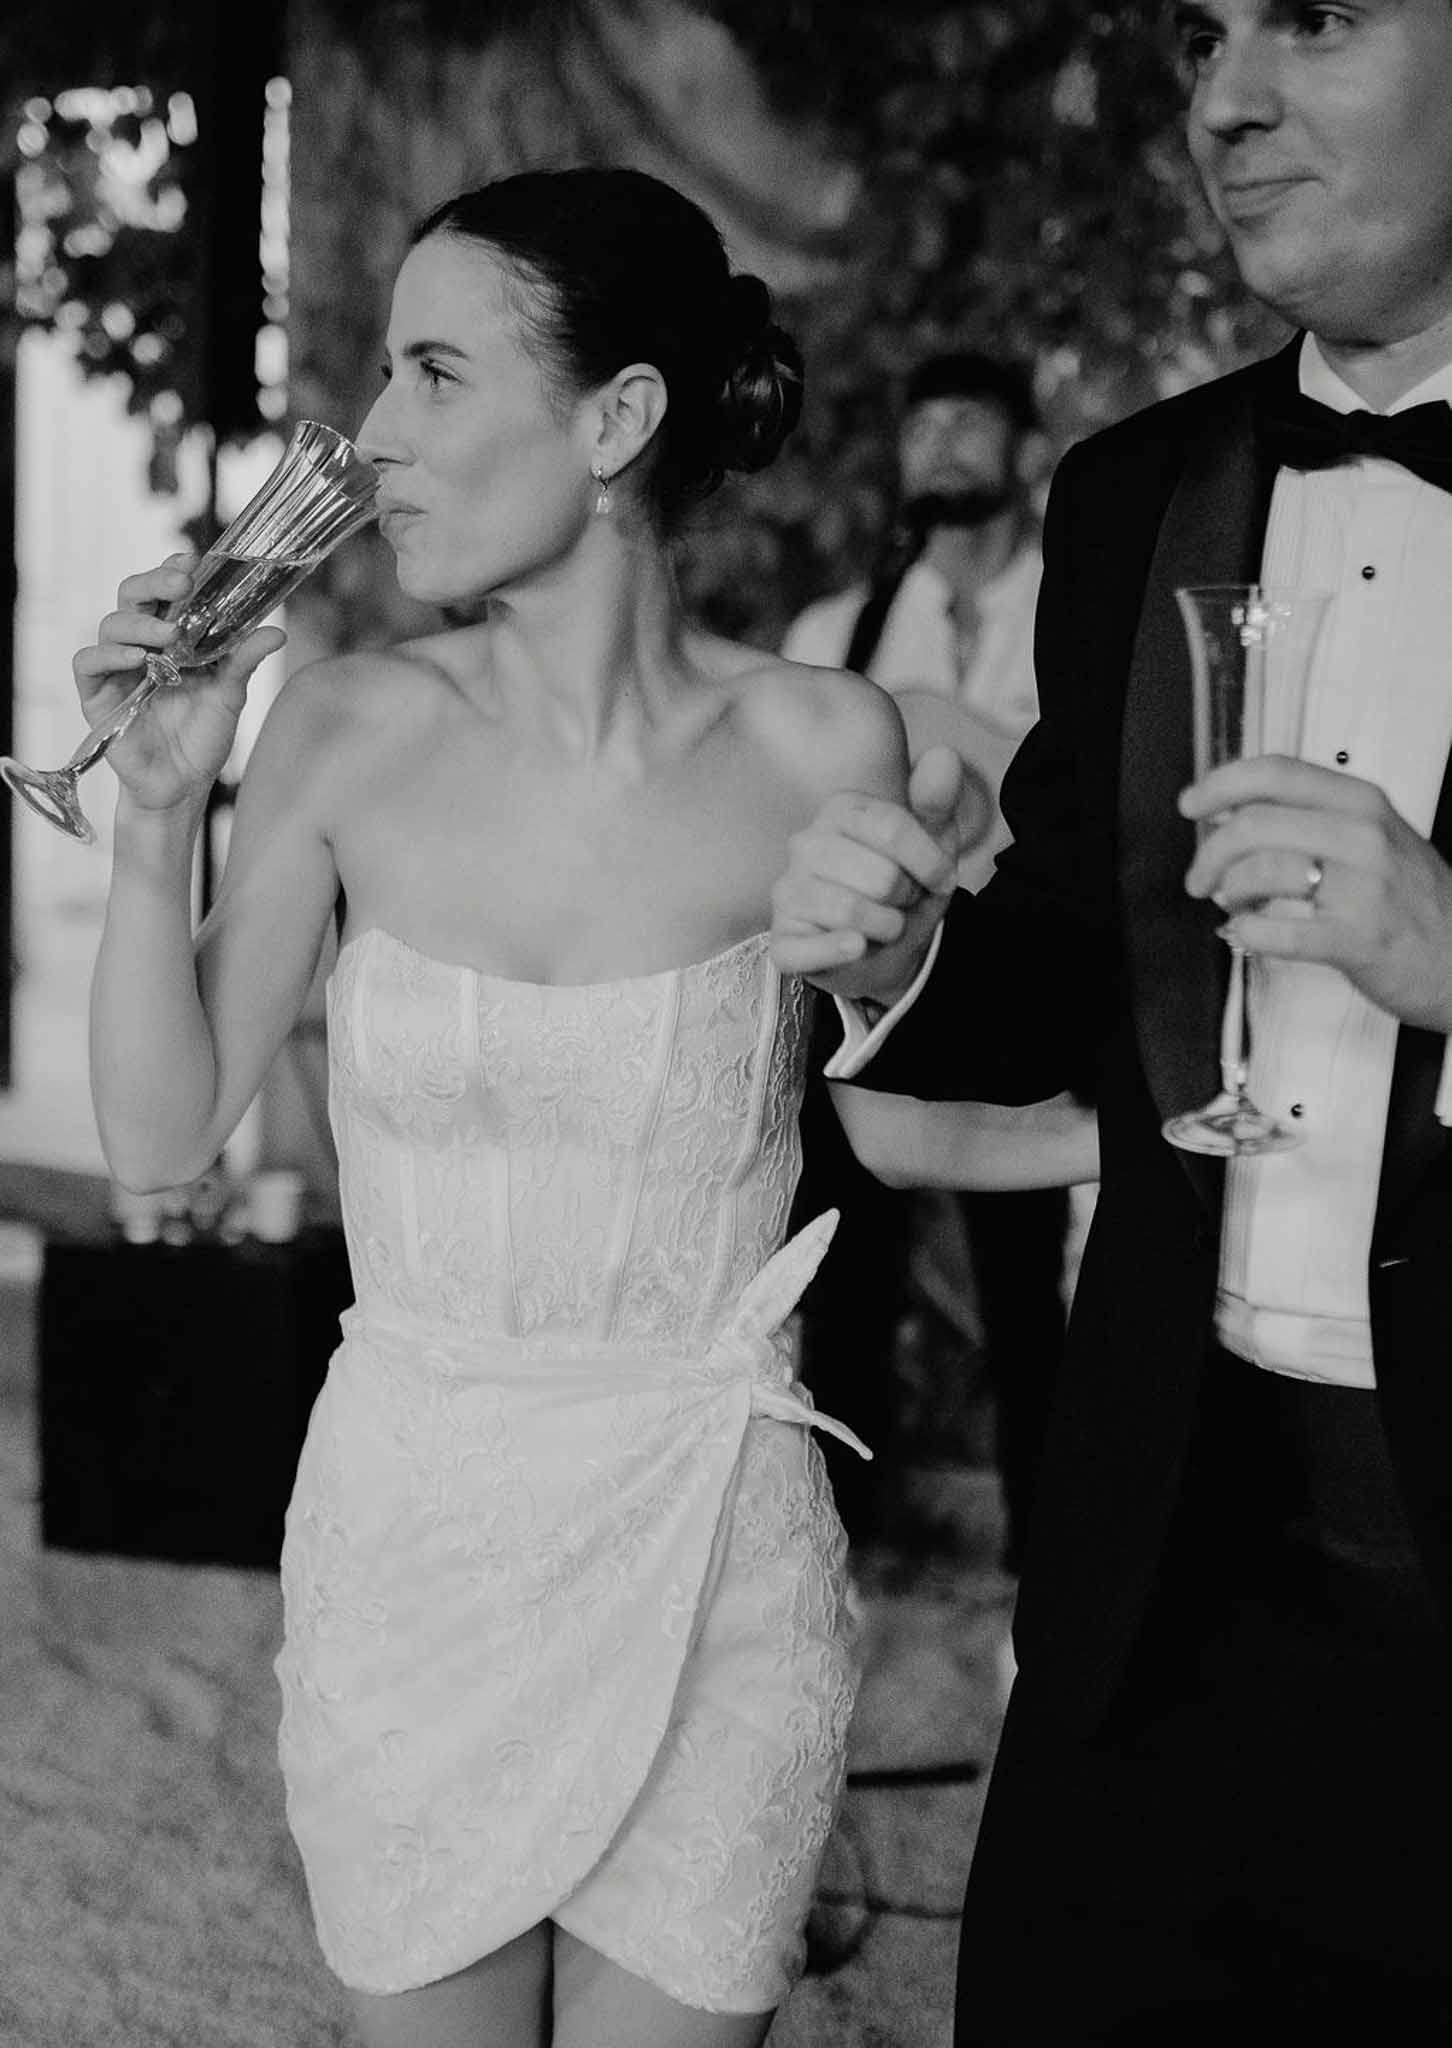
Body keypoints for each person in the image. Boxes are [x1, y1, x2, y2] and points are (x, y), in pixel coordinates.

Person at [75, 166, 915, 2048]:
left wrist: (905, 960)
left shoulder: (818, 744)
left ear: (614, 419)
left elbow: (934, 1087)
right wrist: (154, 816)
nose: (371, 438)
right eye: (383, 373)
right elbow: (157, 1136)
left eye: (434, 374)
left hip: (712, 1537)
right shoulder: (344, 727)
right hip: (416, 1534)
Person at [771, 1, 1452, 2036]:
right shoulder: (1135, 489)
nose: (1222, 101)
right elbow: (1072, 947)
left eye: (1312, 22)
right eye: (1196, 37)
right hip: (1159, 1565)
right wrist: (898, 956)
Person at [782, 352, 1077, 1574]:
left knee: (1029, 1310)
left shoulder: (1083, 608)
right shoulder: (834, 629)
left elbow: (1105, 794)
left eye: (973, 420)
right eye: (925, 422)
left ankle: (1046, 1573)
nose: (944, 443)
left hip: (1020, 1004)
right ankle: (828, 1562)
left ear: (1023, 449)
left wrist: (965, 741)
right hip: (864, 1004)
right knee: (842, 1291)